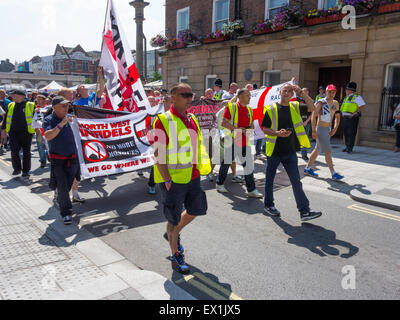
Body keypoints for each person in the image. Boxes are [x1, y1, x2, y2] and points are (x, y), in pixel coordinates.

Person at [152, 83, 211, 274]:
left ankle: (173, 233)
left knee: (196, 210)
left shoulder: (191, 118)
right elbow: (158, 153)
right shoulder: (163, 120)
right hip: (173, 180)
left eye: (191, 94)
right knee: (173, 218)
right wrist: (167, 180)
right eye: (184, 95)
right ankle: (175, 254)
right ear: (173, 97)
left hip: (193, 176)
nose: (189, 98)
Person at [261, 83, 322, 222]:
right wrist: (277, 133)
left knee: (296, 181)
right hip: (274, 151)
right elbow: (265, 128)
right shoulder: (271, 109)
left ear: (292, 94)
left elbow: (313, 108)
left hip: (290, 152)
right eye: (285, 90)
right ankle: (269, 205)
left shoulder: (295, 106)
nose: (287, 93)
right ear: (280, 92)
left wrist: (301, 92)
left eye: (290, 91)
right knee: (269, 180)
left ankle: (304, 211)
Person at [216, 88, 263, 198]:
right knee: (226, 163)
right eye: (247, 95)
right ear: (240, 96)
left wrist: (249, 130)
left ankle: (251, 190)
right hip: (232, 140)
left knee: (248, 166)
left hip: (244, 141)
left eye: (250, 95)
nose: (250, 97)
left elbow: (251, 124)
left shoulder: (250, 109)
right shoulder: (231, 107)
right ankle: (219, 183)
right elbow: (224, 123)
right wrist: (238, 129)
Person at [43, 97, 78, 225]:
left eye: (67, 106)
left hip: (73, 158)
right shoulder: (49, 120)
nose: (66, 108)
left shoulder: (71, 118)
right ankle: (66, 213)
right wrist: (61, 124)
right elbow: (47, 135)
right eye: (63, 106)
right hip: (58, 160)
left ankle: (60, 197)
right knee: (63, 187)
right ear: (54, 107)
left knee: (67, 185)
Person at [304, 85, 344, 180]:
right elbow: (313, 116)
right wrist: (313, 130)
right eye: (329, 92)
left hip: (328, 129)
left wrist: (335, 128)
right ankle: (333, 173)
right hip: (321, 129)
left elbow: (337, 117)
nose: (331, 94)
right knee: (328, 152)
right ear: (326, 92)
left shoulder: (336, 103)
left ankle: (307, 168)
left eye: (333, 92)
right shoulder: (321, 102)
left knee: (317, 150)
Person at [57, 88, 85, 204]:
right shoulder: (55, 110)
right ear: (63, 96)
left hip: (75, 145)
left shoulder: (74, 107)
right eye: (70, 93)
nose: (73, 95)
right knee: (62, 174)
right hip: (61, 148)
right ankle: (60, 196)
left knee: (75, 172)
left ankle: (75, 194)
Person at [1, 90, 35, 178]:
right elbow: (6, 119)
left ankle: (26, 171)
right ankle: (17, 169)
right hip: (13, 132)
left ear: (22, 96)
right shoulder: (11, 105)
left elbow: (36, 119)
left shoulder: (30, 105)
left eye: (14, 95)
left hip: (27, 132)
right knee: (14, 151)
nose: (12, 97)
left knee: (26, 152)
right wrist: (3, 131)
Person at [340, 82, 367, 154]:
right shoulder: (346, 97)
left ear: (350, 90)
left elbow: (363, 105)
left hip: (352, 118)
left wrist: (355, 113)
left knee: (351, 132)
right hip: (345, 117)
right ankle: (347, 146)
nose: (345, 91)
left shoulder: (357, 97)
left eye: (346, 89)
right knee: (346, 133)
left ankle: (350, 148)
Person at [297, 88, 314, 161]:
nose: (303, 92)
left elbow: (313, 113)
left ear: (307, 92)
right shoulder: (298, 100)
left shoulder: (310, 101)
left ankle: (304, 154)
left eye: (305, 91)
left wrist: (306, 121)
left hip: (306, 123)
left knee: (304, 139)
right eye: (302, 91)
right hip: (297, 123)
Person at [34, 94, 50, 168]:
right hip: (39, 129)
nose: (38, 101)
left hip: (48, 129)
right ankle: (43, 160)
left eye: (40, 99)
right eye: (37, 99)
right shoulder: (35, 108)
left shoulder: (49, 108)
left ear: (44, 100)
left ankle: (48, 155)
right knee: (40, 146)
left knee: (48, 146)